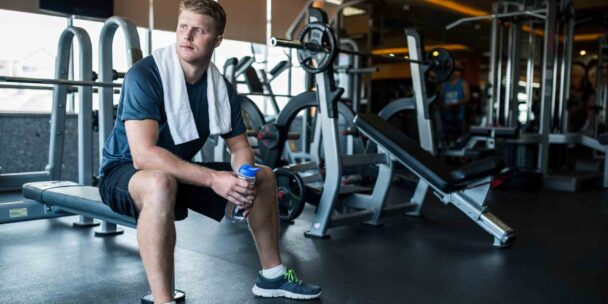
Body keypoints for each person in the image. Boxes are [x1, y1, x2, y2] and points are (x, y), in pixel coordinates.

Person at [97, 1, 321, 303]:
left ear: (217, 40)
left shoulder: (220, 88)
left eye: (198, 30)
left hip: (178, 171)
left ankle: (273, 276)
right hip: (125, 172)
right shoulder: (145, 75)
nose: (186, 36)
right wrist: (215, 180)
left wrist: (243, 178)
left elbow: (240, 147)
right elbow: (144, 156)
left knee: (263, 176)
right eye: (182, 27)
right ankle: (164, 300)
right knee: (160, 182)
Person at [439, 69, 470, 145]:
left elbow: (467, 97)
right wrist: (443, 105)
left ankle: (458, 152)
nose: (449, 74)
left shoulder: (462, 83)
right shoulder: (444, 84)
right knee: (447, 136)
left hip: (458, 115)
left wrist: (454, 104)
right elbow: (440, 98)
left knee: (458, 137)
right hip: (446, 115)